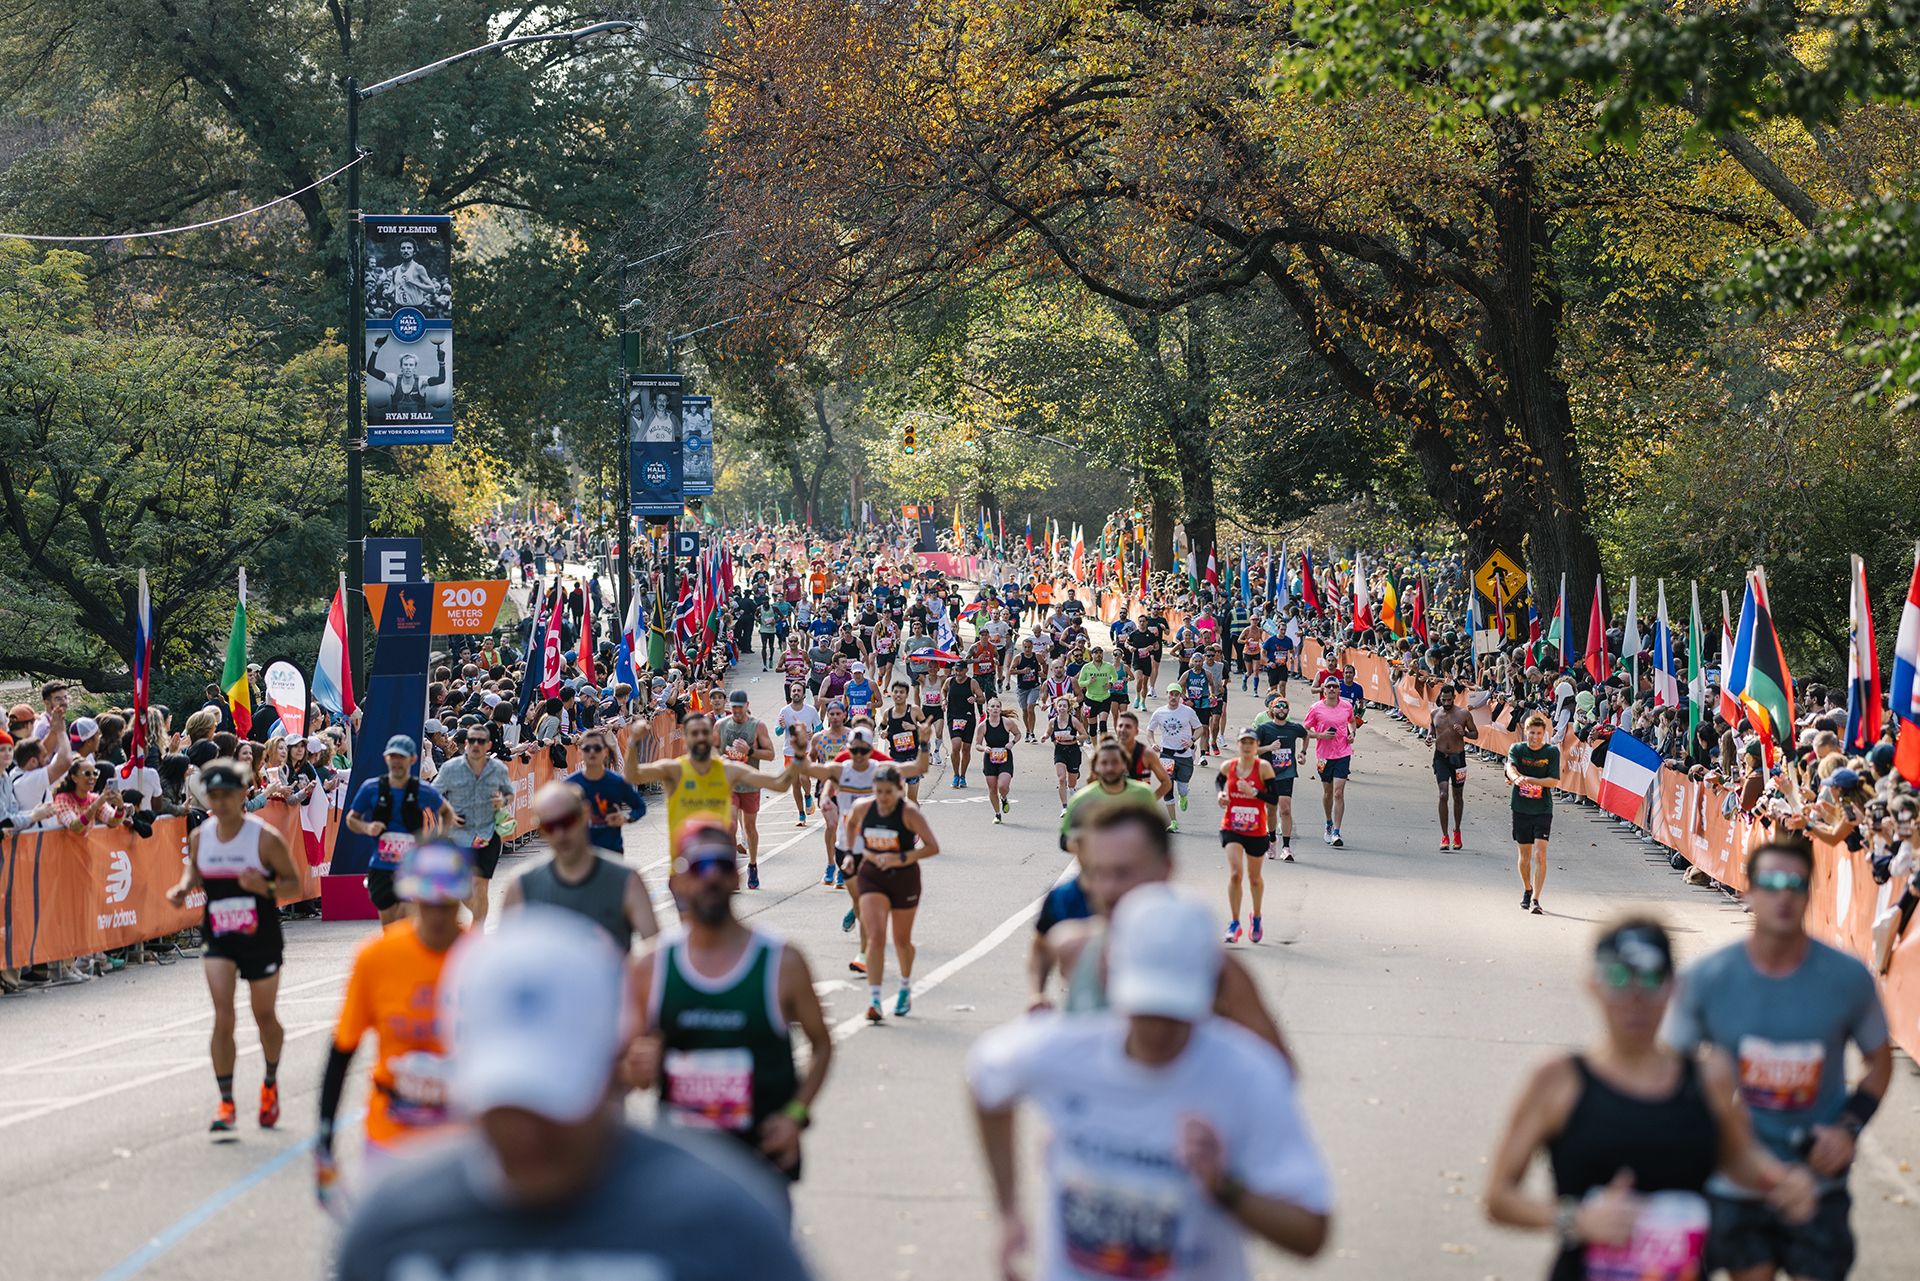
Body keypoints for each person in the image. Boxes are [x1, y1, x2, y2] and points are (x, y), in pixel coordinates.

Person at [335, 907, 813, 1281]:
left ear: (612, 1070)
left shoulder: (729, 1223)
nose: (525, 1134)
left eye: (554, 1097)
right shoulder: (392, 1229)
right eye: (503, 1100)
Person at [969, 884, 1332, 1281]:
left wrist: (1225, 1187)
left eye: (1175, 1008)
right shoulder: (1065, 1050)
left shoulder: (1248, 1074)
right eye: (1144, 1004)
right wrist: (1008, 1213)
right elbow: (984, 1081)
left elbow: (1311, 1233)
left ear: (1212, 988)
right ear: (1110, 975)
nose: (1158, 1027)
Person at [1485, 917, 1817, 1280]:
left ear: (1672, 988)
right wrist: (1575, 1220)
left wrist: (1778, 1179)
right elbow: (1498, 1197)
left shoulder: (1708, 1077)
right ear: (1592, 984)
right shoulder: (1556, 1080)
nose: (1635, 998)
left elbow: (1738, 1155)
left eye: (1651, 979)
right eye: (1619, 979)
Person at [1662, 839, 1894, 1281]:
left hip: (1817, 1180)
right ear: (1748, 891)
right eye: (1770, 883)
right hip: (1736, 1179)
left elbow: (1879, 1064)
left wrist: (1847, 1129)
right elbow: (1671, 1075)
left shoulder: (1847, 978)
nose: (1783, 894)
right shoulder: (1707, 978)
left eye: (1795, 883)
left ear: (1809, 893)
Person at [625, 819, 834, 1217]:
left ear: (736, 876)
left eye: (722, 865)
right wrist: (637, 1067)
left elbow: (822, 1044)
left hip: (760, 1164)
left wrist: (795, 1115)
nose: (711, 877)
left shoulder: (782, 962)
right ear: (677, 882)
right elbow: (628, 1072)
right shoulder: (652, 967)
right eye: (698, 866)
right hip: (680, 1169)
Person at [317, 840, 472, 1206]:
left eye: (446, 902)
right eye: (427, 901)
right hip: (391, 1132)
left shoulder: (485, 960)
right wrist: (324, 1145)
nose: (436, 914)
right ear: (411, 899)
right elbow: (342, 1050)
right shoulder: (376, 958)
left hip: (461, 1137)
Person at [163, 760, 302, 1138]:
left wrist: (267, 890)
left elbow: (293, 882)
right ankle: (226, 1102)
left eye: (229, 795)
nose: (221, 803)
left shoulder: (263, 838)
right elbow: (195, 870)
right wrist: (182, 887)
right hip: (220, 933)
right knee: (223, 1016)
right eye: (215, 796)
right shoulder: (201, 836)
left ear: (244, 794)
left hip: (260, 934)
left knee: (264, 1016)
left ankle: (269, 1085)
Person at [503, 782, 659, 951]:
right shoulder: (521, 886)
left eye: (567, 822)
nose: (560, 834)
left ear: (585, 814)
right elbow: (503, 961)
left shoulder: (626, 880)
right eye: (549, 827)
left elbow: (656, 954)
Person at [624, 712, 793, 867]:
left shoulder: (728, 769)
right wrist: (633, 742)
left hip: (720, 870)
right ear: (685, 739)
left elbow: (780, 784)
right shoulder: (674, 770)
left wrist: (798, 755)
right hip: (686, 870)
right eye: (694, 733)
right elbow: (633, 776)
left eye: (705, 733)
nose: (700, 738)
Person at [843, 765, 941, 1021]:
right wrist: (853, 856)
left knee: (901, 941)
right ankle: (875, 1000)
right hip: (872, 875)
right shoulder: (863, 807)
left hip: (904, 879)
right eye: (879, 791)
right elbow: (851, 824)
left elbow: (933, 847)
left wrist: (901, 858)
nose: (883, 798)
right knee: (875, 937)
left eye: (889, 792)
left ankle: (905, 987)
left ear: (900, 790)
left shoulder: (909, 813)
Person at [344, 734, 457, 926]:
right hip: (381, 867)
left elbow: (447, 813)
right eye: (392, 757)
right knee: (388, 923)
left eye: (401, 757)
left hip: (413, 867)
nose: (396, 762)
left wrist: (436, 839)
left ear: (412, 759)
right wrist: (367, 827)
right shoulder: (371, 788)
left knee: (407, 921)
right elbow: (351, 819)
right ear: (386, 758)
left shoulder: (423, 790)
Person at [434, 723, 514, 925]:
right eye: (472, 740)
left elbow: (509, 793)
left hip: (488, 834)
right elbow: (432, 793)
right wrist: (447, 811)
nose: (476, 745)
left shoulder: (497, 769)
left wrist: (502, 801)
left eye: (481, 741)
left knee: (481, 885)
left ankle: (477, 930)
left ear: (488, 745)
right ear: (466, 743)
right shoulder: (451, 768)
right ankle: (477, 921)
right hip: (458, 835)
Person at [1218, 727, 1277, 944]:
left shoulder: (1263, 768)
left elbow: (1273, 799)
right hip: (1232, 826)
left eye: (1250, 742)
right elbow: (1219, 781)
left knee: (1254, 879)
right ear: (1238, 745)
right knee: (1235, 874)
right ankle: (1234, 923)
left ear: (1256, 746)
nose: (1246, 746)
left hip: (1256, 829)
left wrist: (1253, 792)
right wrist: (1221, 794)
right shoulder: (1229, 766)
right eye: (1243, 742)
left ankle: (1257, 916)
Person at [718, 690, 778, 888]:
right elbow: (710, 749)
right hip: (729, 785)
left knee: (750, 827)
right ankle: (730, 869)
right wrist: (720, 758)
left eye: (739, 707)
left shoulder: (757, 726)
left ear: (747, 705)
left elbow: (770, 755)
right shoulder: (721, 726)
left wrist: (750, 751)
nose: (736, 711)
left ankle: (752, 865)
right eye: (733, 706)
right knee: (730, 824)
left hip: (750, 783)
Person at [1505, 712, 1561, 915]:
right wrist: (1515, 777)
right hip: (1520, 807)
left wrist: (1527, 779)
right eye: (1531, 733)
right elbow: (1510, 767)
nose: (1535, 737)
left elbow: (1554, 781)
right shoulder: (1517, 749)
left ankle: (1536, 898)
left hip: (1543, 809)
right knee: (1525, 854)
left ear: (1544, 733)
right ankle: (1527, 889)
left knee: (1540, 853)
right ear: (1526, 733)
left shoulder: (1551, 752)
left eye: (1538, 733)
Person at [565, 723, 649, 855]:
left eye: (597, 748)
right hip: (581, 855)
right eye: (587, 748)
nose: (592, 752)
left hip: (612, 852)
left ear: (605, 751)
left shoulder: (617, 782)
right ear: (580, 752)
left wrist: (626, 818)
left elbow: (640, 807)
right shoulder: (569, 784)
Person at [1252, 693, 1308, 862]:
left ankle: (1286, 847)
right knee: (1271, 810)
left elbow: (1305, 735)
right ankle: (1272, 839)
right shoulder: (1264, 729)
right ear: (1272, 709)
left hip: (1286, 773)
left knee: (1285, 809)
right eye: (1278, 706)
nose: (1281, 709)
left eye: (1284, 706)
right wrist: (1269, 747)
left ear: (1288, 710)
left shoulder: (1293, 728)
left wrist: (1303, 753)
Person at [1302, 676, 1356, 848]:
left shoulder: (1346, 706)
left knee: (1338, 793)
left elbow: (1352, 721)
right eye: (1329, 687)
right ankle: (1328, 822)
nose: (1332, 689)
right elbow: (1304, 730)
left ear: (1339, 690)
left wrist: (1352, 733)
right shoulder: (1316, 708)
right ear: (1324, 690)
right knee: (1328, 792)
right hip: (1323, 756)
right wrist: (1320, 735)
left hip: (1343, 753)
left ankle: (1337, 832)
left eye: (1335, 687)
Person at [1146, 682, 1204, 832]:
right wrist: (1152, 743)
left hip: (1184, 755)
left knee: (1183, 788)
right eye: (1171, 694)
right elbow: (1149, 731)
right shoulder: (1159, 712)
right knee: (1167, 787)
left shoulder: (1188, 711)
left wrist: (1192, 740)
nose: (1173, 697)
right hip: (1167, 754)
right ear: (1166, 694)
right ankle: (1173, 822)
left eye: (1176, 694)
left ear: (1180, 696)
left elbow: (1200, 728)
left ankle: (1183, 796)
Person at [1431, 682, 1479, 850]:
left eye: (1449, 699)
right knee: (1443, 795)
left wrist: (1464, 733)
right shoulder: (1434, 713)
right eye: (1443, 699)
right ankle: (1444, 836)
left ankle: (1456, 831)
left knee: (1457, 796)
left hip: (1458, 759)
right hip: (1440, 758)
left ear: (1454, 697)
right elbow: (1432, 731)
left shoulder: (1463, 714)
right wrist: (1429, 738)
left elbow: (1475, 734)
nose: (1446, 702)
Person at [776, 683, 822, 824]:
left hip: (806, 751)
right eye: (793, 690)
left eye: (798, 691)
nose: (796, 692)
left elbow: (820, 727)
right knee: (795, 785)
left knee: (803, 777)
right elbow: (777, 732)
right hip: (789, 751)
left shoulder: (811, 710)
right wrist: (782, 727)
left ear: (803, 695)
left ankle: (808, 795)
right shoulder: (784, 711)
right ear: (790, 694)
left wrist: (813, 733)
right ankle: (801, 814)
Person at [1046, 693, 1089, 815]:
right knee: (1061, 779)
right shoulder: (1052, 721)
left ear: (1068, 708)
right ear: (1056, 707)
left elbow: (1085, 735)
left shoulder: (1074, 720)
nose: (1062, 708)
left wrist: (1074, 738)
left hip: (1074, 751)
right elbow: (1048, 732)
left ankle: (1072, 787)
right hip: (1060, 751)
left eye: (1064, 706)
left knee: (1071, 783)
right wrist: (1044, 737)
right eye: (1060, 706)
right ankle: (1064, 807)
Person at [978, 696, 1018, 823]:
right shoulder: (983, 726)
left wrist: (1012, 742)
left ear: (1000, 709)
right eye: (992, 707)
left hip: (1005, 757)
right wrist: (984, 749)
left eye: (997, 706)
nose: (995, 709)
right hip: (990, 759)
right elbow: (977, 744)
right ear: (988, 709)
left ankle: (1004, 798)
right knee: (992, 789)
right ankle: (997, 813)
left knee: (1003, 786)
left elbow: (1018, 734)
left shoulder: (1007, 722)